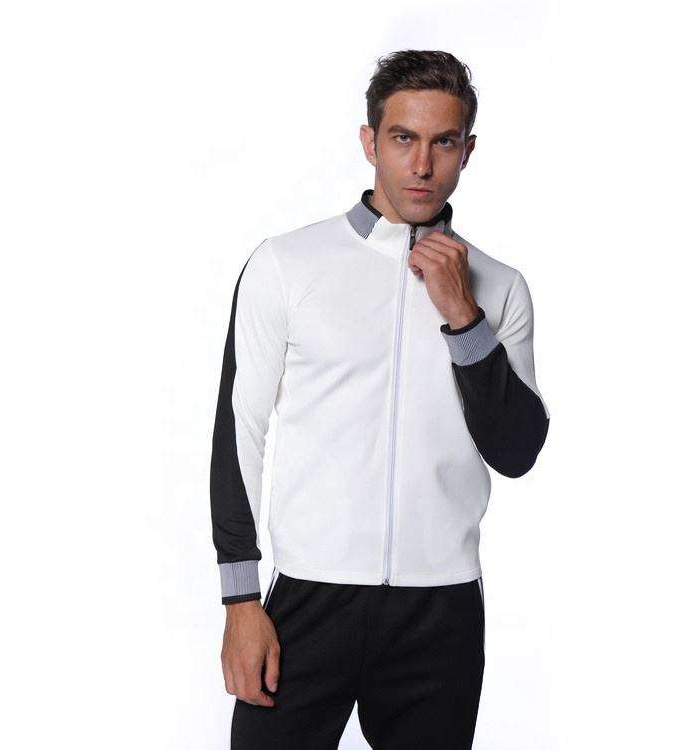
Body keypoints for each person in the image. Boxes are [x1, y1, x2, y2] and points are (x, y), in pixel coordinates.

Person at [210, 49, 550, 749]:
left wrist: (464, 318)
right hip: (309, 599)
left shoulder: (500, 288)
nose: (421, 165)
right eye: (403, 138)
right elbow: (239, 434)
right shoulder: (286, 265)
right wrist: (240, 599)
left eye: (443, 142)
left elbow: (517, 450)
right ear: (370, 142)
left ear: (467, 151)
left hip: (440, 613)